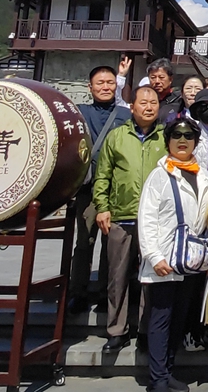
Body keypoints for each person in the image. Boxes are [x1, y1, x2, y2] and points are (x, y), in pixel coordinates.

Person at [137, 117, 208, 392]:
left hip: (191, 260)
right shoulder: (159, 176)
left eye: (188, 136)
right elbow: (146, 217)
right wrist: (153, 255)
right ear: (168, 141)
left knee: (179, 318)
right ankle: (157, 379)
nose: (182, 141)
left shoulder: (203, 176)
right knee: (161, 318)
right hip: (165, 258)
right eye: (177, 136)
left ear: (196, 142)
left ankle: (168, 371)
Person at [94, 86, 167, 353]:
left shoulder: (166, 137)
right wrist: (102, 207)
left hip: (155, 220)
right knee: (118, 277)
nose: (149, 107)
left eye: (153, 102)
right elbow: (103, 174)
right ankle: (117, 331)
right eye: (143, 102)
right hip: (121, 216)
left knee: (151, 278)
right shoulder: (117, 136)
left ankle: (147, 331)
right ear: (132, 106)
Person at [69, 65, 133, 314]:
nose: (105, 87)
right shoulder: (79, 113)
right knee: (85, 242)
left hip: (116, 190)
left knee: (112, 245)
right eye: (100, 83)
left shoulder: (125, 115)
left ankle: (107, 294)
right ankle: (78, 292)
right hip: (88, 189)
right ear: (90, 87)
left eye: (109, 83)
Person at [147, 58, 183, 125]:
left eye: (161, 77)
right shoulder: (145, 99)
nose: (157, 81)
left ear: (170, 79)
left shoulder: (180, 101)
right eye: (153, 77)